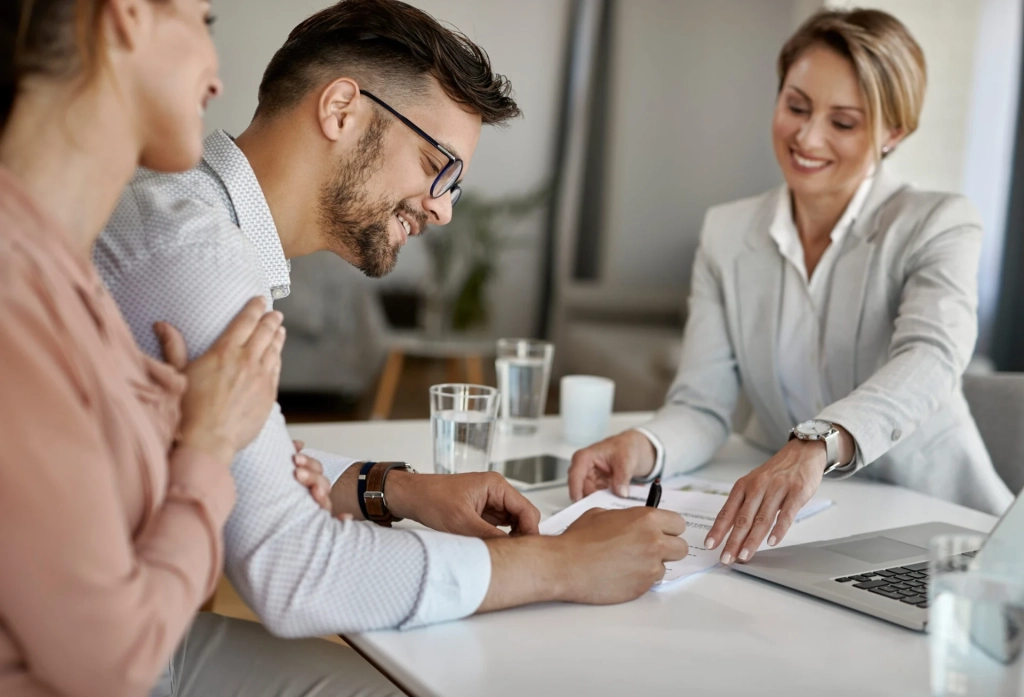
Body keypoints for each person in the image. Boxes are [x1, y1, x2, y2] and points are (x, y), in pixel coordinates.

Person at [94, 0, 688, 693]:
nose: (443, 209)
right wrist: (559, 564)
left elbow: (229, 447)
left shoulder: (195, 222)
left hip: (148, 635)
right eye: (439, 168)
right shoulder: (197, 258)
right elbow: (291, 567)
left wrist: (394, 488)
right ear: (342, 110)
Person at [569, 8, 1013, 567]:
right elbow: (704, 407)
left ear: (893, 132)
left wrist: (817, 441)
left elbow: (931, 356)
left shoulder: (938, 222)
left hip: (939, 530)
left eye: (843, 122)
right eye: (796, 106)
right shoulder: (727, 233)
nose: (807, 137)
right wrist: (643, 445)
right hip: (798, 530)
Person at [0, 0, 293, 694]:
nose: (218, 77)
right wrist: (210, 447)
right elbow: (112, 661)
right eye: (204, 21)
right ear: (127, 13)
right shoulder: (17, 290)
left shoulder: (62, 267)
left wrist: (180, 421)